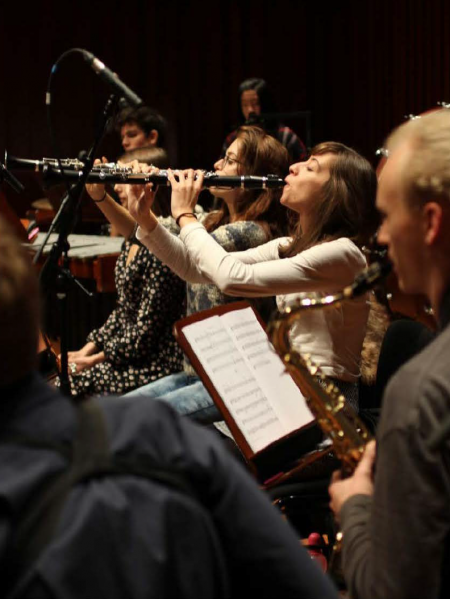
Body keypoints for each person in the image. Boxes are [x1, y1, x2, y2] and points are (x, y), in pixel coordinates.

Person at [0, 216, 340, 599]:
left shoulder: (312, 245)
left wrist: (185, 216)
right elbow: (191, 267)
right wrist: (151, 217)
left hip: (311, 400)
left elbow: (224, 276)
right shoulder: (161, 435)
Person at [329, 108, 450, 599]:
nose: (380, 237)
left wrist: (357, 506)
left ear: (430, 222)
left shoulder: (425, 388)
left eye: (385, 216)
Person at [127, 141, 379, 422]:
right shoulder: (288, 245)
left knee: (156, 425)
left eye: (310, 167)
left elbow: (230, 278)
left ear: (336, 193)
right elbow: (193, 268)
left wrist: (186, 216)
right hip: (289, 388)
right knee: (136, 416)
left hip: (326, 406)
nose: (294, 167)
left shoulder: (344, 254)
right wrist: (145, 219)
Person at [124, 126, 290, 422]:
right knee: (114, 410)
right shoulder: (211, 221)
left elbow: (188, 254)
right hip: (199, 371)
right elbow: (163, 237)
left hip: (237, 384)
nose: (216, 166)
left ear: (253, 175)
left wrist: (182, 208)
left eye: (229, 160)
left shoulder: (254, 233)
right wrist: (139, 209)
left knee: (135, 419)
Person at [61, 146, 186, 397]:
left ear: (150, 185)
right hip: (128, 354)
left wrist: (96, 360)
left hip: (155, 360)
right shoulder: (132, 239)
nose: (116, 187)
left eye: (123, 178)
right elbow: (123, 311)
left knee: (70, 388)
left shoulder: (161, 245)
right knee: (59, 382)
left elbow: (144, 333)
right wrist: (88, 349)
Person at [222, 77, 308, 163]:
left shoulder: (284, 136)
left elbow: (303, 166)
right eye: (244, 104)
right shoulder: (233, 138)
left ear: (265, 104)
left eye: (255, 103)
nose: (250, 110)